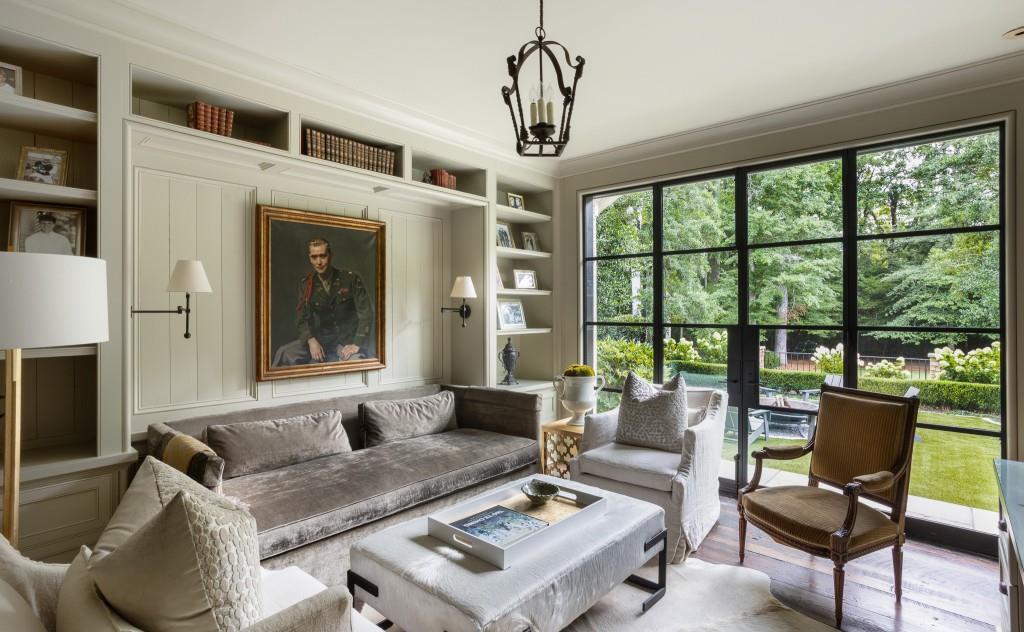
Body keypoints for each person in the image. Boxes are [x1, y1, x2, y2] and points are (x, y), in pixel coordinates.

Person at [272, 237, 374, 366]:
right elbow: (301, 318)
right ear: (310, 258)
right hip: (323, 339)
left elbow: (366, 314)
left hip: (347, 341)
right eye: (314, 257)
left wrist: (357, 343)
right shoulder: (307, 284)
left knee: (356, 363)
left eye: (322, 256)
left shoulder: (350, 279)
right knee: (284, 353)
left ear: (330, 256)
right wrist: (310, 339)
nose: (318, 262)